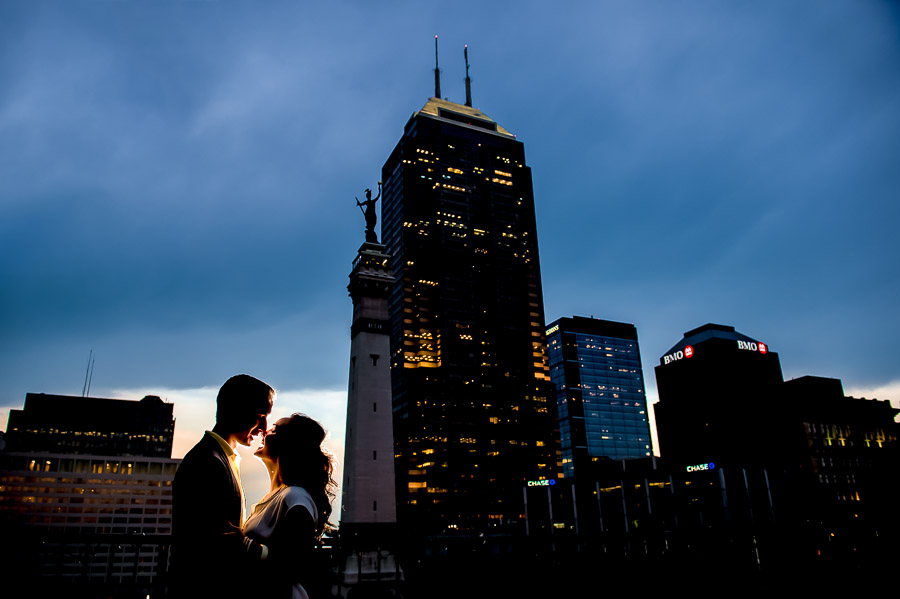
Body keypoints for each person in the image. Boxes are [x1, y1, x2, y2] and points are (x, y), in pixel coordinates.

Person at [170, 374, 274, 598]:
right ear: (240, 411)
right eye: (261, 416)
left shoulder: (215, 457)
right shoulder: (208, 462)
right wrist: (269, 553)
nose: (263, 428)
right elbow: (217, 535)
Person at [243, 413, 337, 599]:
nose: (264, 431)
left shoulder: (295, 498)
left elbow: (293, 566)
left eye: (274, 429)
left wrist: (244, 545)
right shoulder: (279, 496)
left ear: (289, 444)